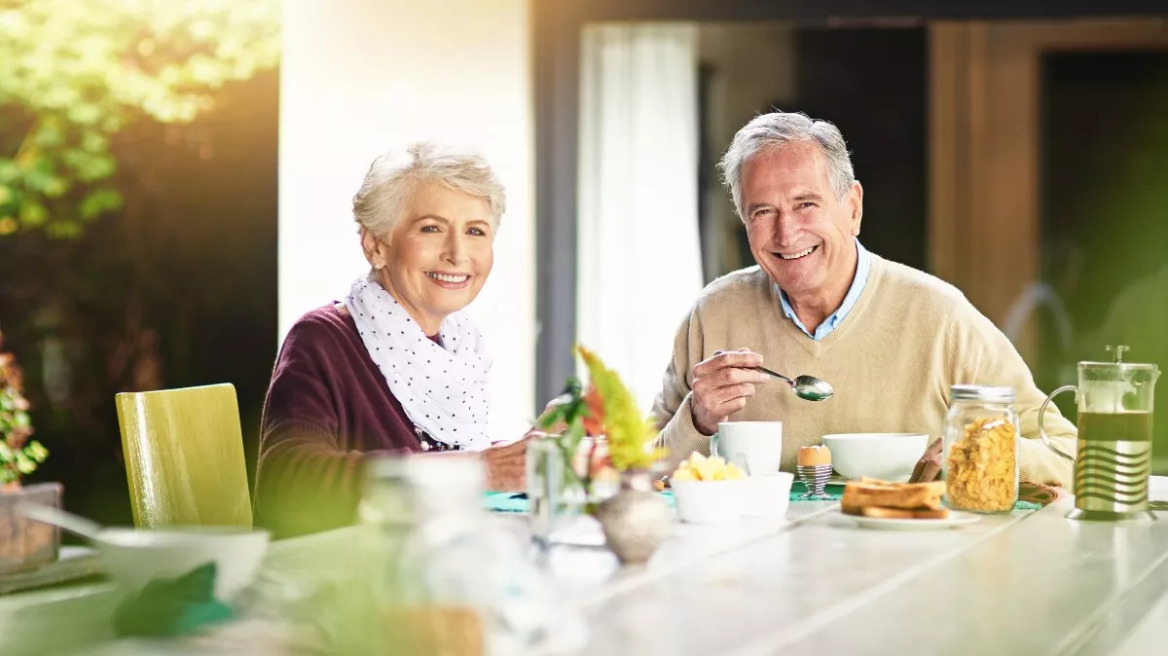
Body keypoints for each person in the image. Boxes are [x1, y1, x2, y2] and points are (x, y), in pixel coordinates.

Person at [651, 111, 1077, 486]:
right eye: (762, 212)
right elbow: (636, 467)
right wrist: (697, 421)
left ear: (852, 207)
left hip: (908, 564)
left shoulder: (941, 318)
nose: (786, 233)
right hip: (752, 569)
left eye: (805, 204)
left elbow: (1067, 453)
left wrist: (979, 454)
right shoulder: (713, 315)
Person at [254, 143, 530, 538]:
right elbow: (287, 487)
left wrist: (525, 455)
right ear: (376, 246)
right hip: (341, 587)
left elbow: (445, 457)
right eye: (431, 228)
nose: (457, 253)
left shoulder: (459, 348)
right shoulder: (321, 339)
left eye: (475, 231)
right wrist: (479, 470)